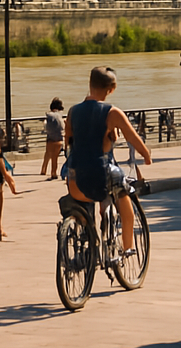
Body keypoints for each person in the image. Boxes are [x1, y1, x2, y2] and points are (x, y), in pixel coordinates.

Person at [65, 66, 153, 256]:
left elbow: (69, 143)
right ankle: (128, 247)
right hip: (99, 181)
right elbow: (133, 138)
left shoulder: (73, 112)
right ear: (111, 89)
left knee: (86, 199)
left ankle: (85, 239)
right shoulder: (112, 113)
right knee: (123, 192)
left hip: (74, 182)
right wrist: (146, 156)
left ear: (89, 84)